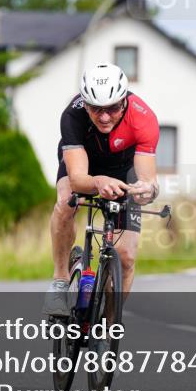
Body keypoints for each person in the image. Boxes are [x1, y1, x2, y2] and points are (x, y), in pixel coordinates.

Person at [42, 63, 160, 318]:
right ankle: (60, 280)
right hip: (85, 164)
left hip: (124, 168)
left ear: (124, 101)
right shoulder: (72, 116)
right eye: (96, 109)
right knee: (66, 201)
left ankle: (108, 324)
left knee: (126, 258)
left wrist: (146, 190)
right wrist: (98, 182)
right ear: (85, 105)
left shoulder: (143, 118)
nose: (105, 117)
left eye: (113, 108)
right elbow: (77, 179)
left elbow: (148, 180)